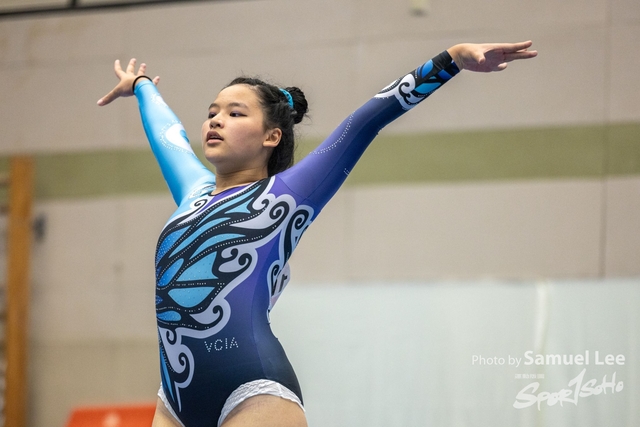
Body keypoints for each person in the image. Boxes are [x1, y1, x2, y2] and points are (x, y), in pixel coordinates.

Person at [98, 41, 537, 427]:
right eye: (212, 112)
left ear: (272, 136)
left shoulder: (288, 193)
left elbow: (365, 121)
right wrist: (142, 86)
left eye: (235, 113)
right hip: (173, 400)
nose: (216, 121)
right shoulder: (192, 193)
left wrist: (452, 60)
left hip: (252, 390)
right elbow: (167, 134)